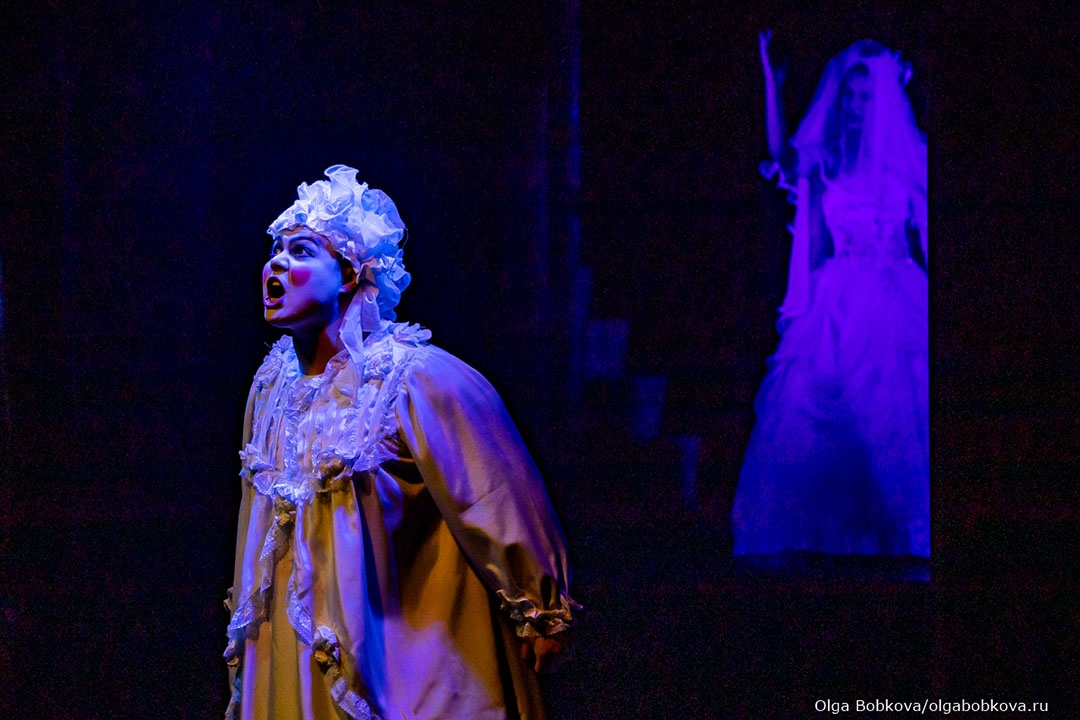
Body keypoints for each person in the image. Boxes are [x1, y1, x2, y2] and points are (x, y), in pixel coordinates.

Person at [223, 165, 579, 719]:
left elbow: (493, 491)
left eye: (301, 251)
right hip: (291, 650)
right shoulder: (271, 385)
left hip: (392, 647)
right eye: (276, 250)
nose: (276, 263)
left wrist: (540, 605)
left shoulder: (414, 379)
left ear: (349, 274)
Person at [730, 36, 929, 559]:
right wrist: (771, 83)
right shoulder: (827, 160)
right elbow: (781, 157)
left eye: (866, 96)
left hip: (895, 294)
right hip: (837, 299)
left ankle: (896, 532)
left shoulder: (906, 166)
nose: (856, 105)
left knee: (890, 409)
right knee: (816, 408)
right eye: (850, 96)